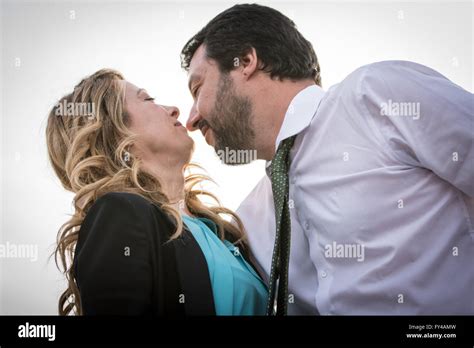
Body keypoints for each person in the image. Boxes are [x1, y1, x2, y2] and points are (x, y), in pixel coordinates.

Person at [181, 3, 474, 315]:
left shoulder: (376, 95)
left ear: (247, 61)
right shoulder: (250, 220)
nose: (191, 118)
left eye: (198, 88)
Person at [46, 69, 268, 316]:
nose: (174, 109)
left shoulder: (222, 231)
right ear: (116, 130)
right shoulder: (118, 213)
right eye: (148, 99)